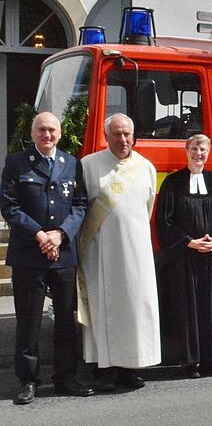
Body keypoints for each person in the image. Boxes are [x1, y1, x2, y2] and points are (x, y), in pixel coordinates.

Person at [0, 112, 93, 404]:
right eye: (42, 130)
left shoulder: (71, 163)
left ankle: (66, 377)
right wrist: (41, 235)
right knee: (29, 321)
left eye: (52, 130)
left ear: (60, 133)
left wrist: (61, 234)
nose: (47, 135)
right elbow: (9, 206)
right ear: (32, 132)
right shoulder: (15, 163)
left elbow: (80, 205)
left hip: (63, 254)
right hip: (30, 254)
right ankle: (28, 381)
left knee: (66, 319)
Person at [79, 113, 160, 390]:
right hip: (99, 251)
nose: (123, 139)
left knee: (133, 309)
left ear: (133, 136)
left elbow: (147, 209)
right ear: (106, 136)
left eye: (127, 134)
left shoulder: (146, 167)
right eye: (117, 134)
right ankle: (103, 368)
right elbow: (81, 209)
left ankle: (130, 366)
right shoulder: (88, 166)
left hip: (134, 252)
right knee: (102, 309)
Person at [156, 134, 212, 377]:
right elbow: (165, 222)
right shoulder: (172, 183)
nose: (198, 154)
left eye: (202, 149)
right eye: (194, 149)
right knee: (187, 311)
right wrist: (189, 242)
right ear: (186, 150)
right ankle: (190, 362)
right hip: (185, 259)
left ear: (208, 152)